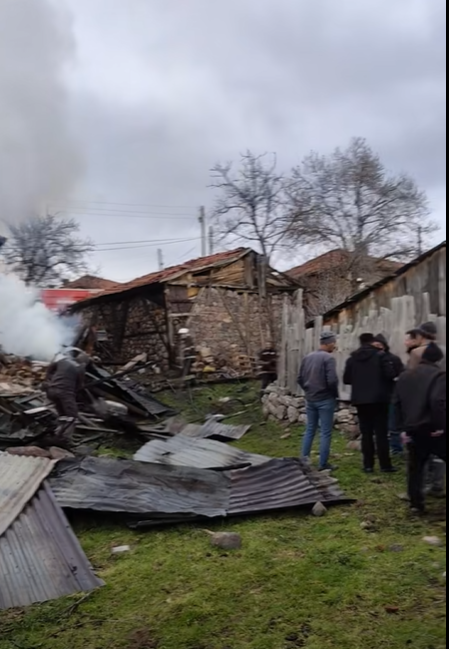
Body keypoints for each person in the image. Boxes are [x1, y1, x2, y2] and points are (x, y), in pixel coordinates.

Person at [394, 343, 446, 513]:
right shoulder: (439, 376)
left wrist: (402, 428)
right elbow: (437, 402)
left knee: (415, 467)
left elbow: (397, 403)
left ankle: (416, 504)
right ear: (438, 359)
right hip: (433, 429)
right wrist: (441, 426)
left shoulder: (404, 376)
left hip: (412, 429)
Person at [344, 333, 398, 474]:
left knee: (366, 433)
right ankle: (385, 465)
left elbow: (346, 379)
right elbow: (391, 374)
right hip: (380, 399)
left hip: (361, 401)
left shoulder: (352, 358)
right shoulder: (381, 356)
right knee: (381, 433)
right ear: (372, 341)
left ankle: (368, 465)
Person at [299, 331, 339, 472]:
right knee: (325, 432)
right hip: (325, 399)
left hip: (310, 398)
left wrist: (308, 390)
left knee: (310, 429)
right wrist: (334, 395)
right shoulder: (328, 358)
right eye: (334, 343)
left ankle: (303, 461)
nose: (335, 345)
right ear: (329, 343)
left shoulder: (307, 357)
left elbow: (300, 379)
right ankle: (323, 464)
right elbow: (332, 381)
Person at [45, 351, 90, 444]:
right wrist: (76, 392)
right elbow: (80, 385)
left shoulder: (63, 361)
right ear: (84, 362)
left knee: (62, 414)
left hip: (51, 391)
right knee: (72, 416)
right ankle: (65, 439)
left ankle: (57, 434)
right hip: (65, 393)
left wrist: (50, 379)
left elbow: (50, 368)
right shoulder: (80, 368)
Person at [373, 334, 405, 456]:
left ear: (384, 346)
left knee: (393, 425)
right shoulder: (370, 361)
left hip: (391, 396)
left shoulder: (393, 359)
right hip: (375, 398)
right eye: (374, 346)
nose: (377, 348)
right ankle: (379, 447)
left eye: (379, 345)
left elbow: (401, 375)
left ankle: (396, 449)